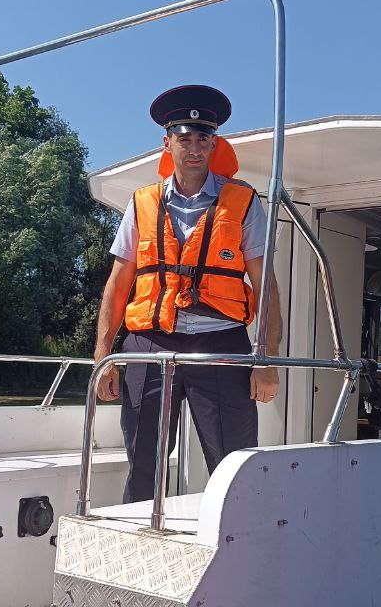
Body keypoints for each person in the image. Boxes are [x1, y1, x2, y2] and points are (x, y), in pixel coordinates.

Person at [93, 84, 282, 504]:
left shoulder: (243, 202)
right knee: (143, 461)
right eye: (184, 138)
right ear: (168, 143)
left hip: (221, 344)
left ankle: (240, 537)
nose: (194, 148)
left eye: (202, 138)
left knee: (233, 464)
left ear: (214, 143)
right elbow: (118, 285)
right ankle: (139, 534)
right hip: (149, 343)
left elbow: (266, 287)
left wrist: (265, 360)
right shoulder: (141, 203)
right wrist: (104, 356)